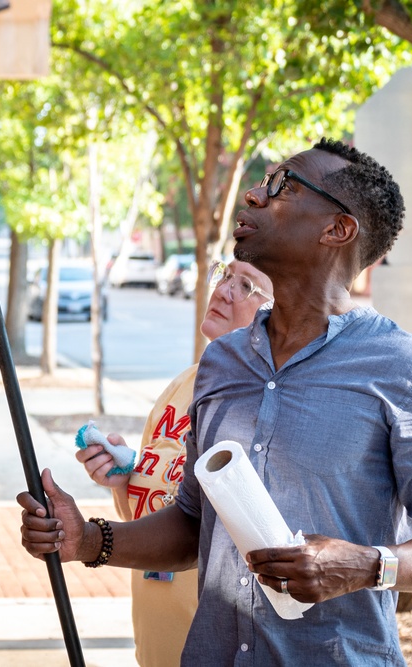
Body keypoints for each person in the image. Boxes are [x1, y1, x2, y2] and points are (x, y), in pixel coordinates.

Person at [19, 138, 412, 665]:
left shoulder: (407, 371)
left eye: (281, 187)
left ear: (337, 229)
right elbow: (194, 523)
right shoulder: (221, 364)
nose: (252, 196)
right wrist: (86, 540)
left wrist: (364, 565)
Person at [77, 259, 273, 667]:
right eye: (225, 275)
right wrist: (121, 478)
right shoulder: (183, 384)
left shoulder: (265, 403)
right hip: (154, 639)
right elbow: (144, 510)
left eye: (246, 286)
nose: (222, 291)